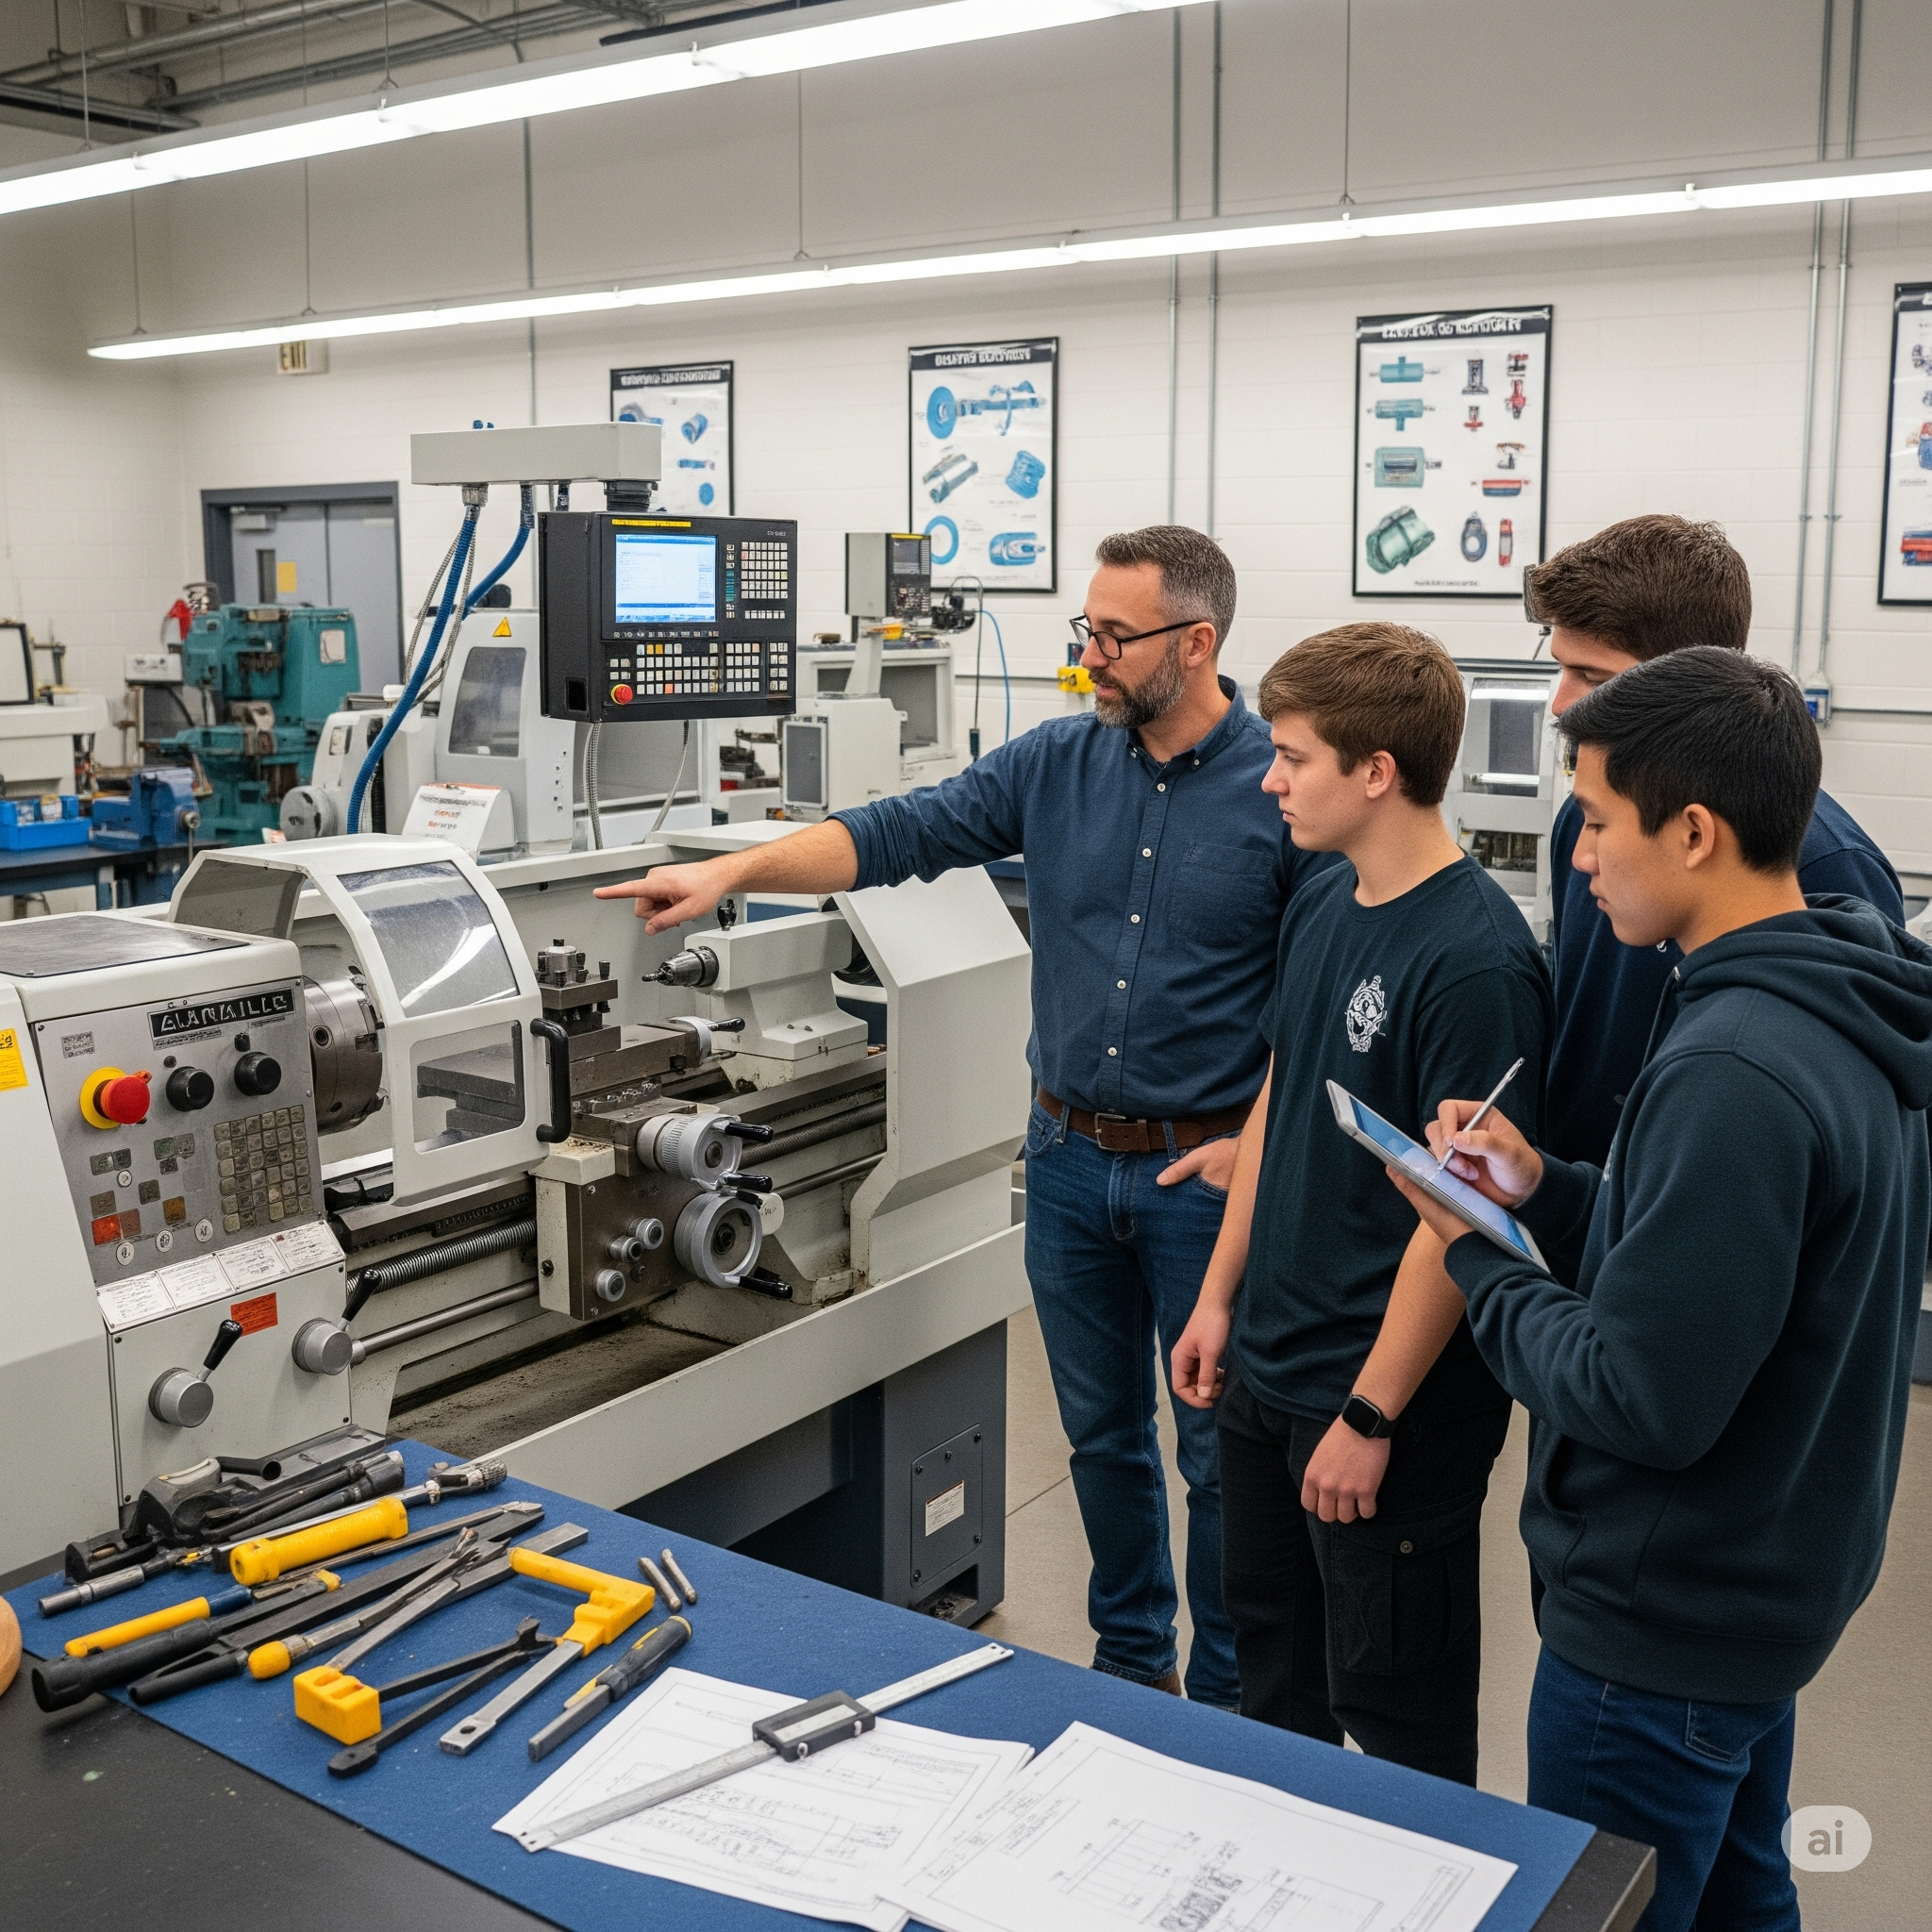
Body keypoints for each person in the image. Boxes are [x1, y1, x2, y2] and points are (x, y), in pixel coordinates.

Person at [593, 526, 1339, 1707]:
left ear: (1195, 644)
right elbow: (897, 833)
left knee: (1215, 1458)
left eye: (1112, 634)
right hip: (1064, 1159)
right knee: (1100, 1440)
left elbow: (1319, 996)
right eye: (1083, 629)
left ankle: (1229, 1688)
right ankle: (1135, 1659)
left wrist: (1262, 1141)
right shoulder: (1054, 763)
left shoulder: (1282, 791)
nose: (1088, 653)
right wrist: (731, 875)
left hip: (1204, 1179)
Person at [1392, 649, 1929, 1932]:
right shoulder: (1835, 1000)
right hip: (1764, 1583)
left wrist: (1474, 1251)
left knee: (1617, 1907)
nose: (1576, 853)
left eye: (1597, 819)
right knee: (1746, 1893)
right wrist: (1548, 1189)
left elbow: (1641, 1394)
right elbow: (1727, 1266)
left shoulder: (1733, 1069)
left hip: (1661, 1624)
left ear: (1694, 830)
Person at [1171, 623, 1550, 1784]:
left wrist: (1371, 1414)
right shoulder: (1326, 899)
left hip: (1383, 1406)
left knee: (1394, 1718)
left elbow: (1461, 1215)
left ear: (1375, 770)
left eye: (1291, 756)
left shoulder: (1476, 959)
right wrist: (1215, 1297)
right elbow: (1278, 1100)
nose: (1268, 777)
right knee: (1269, 1683)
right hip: (1265, 1380)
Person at [1528, 513, 1902, 1166]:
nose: (1561, 704)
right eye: (1561, 670)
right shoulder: (1584, 829)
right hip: (1582, 1211)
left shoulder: (1831, 867)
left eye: (1592, 678)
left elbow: (1863, 1125)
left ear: (1691, 684)